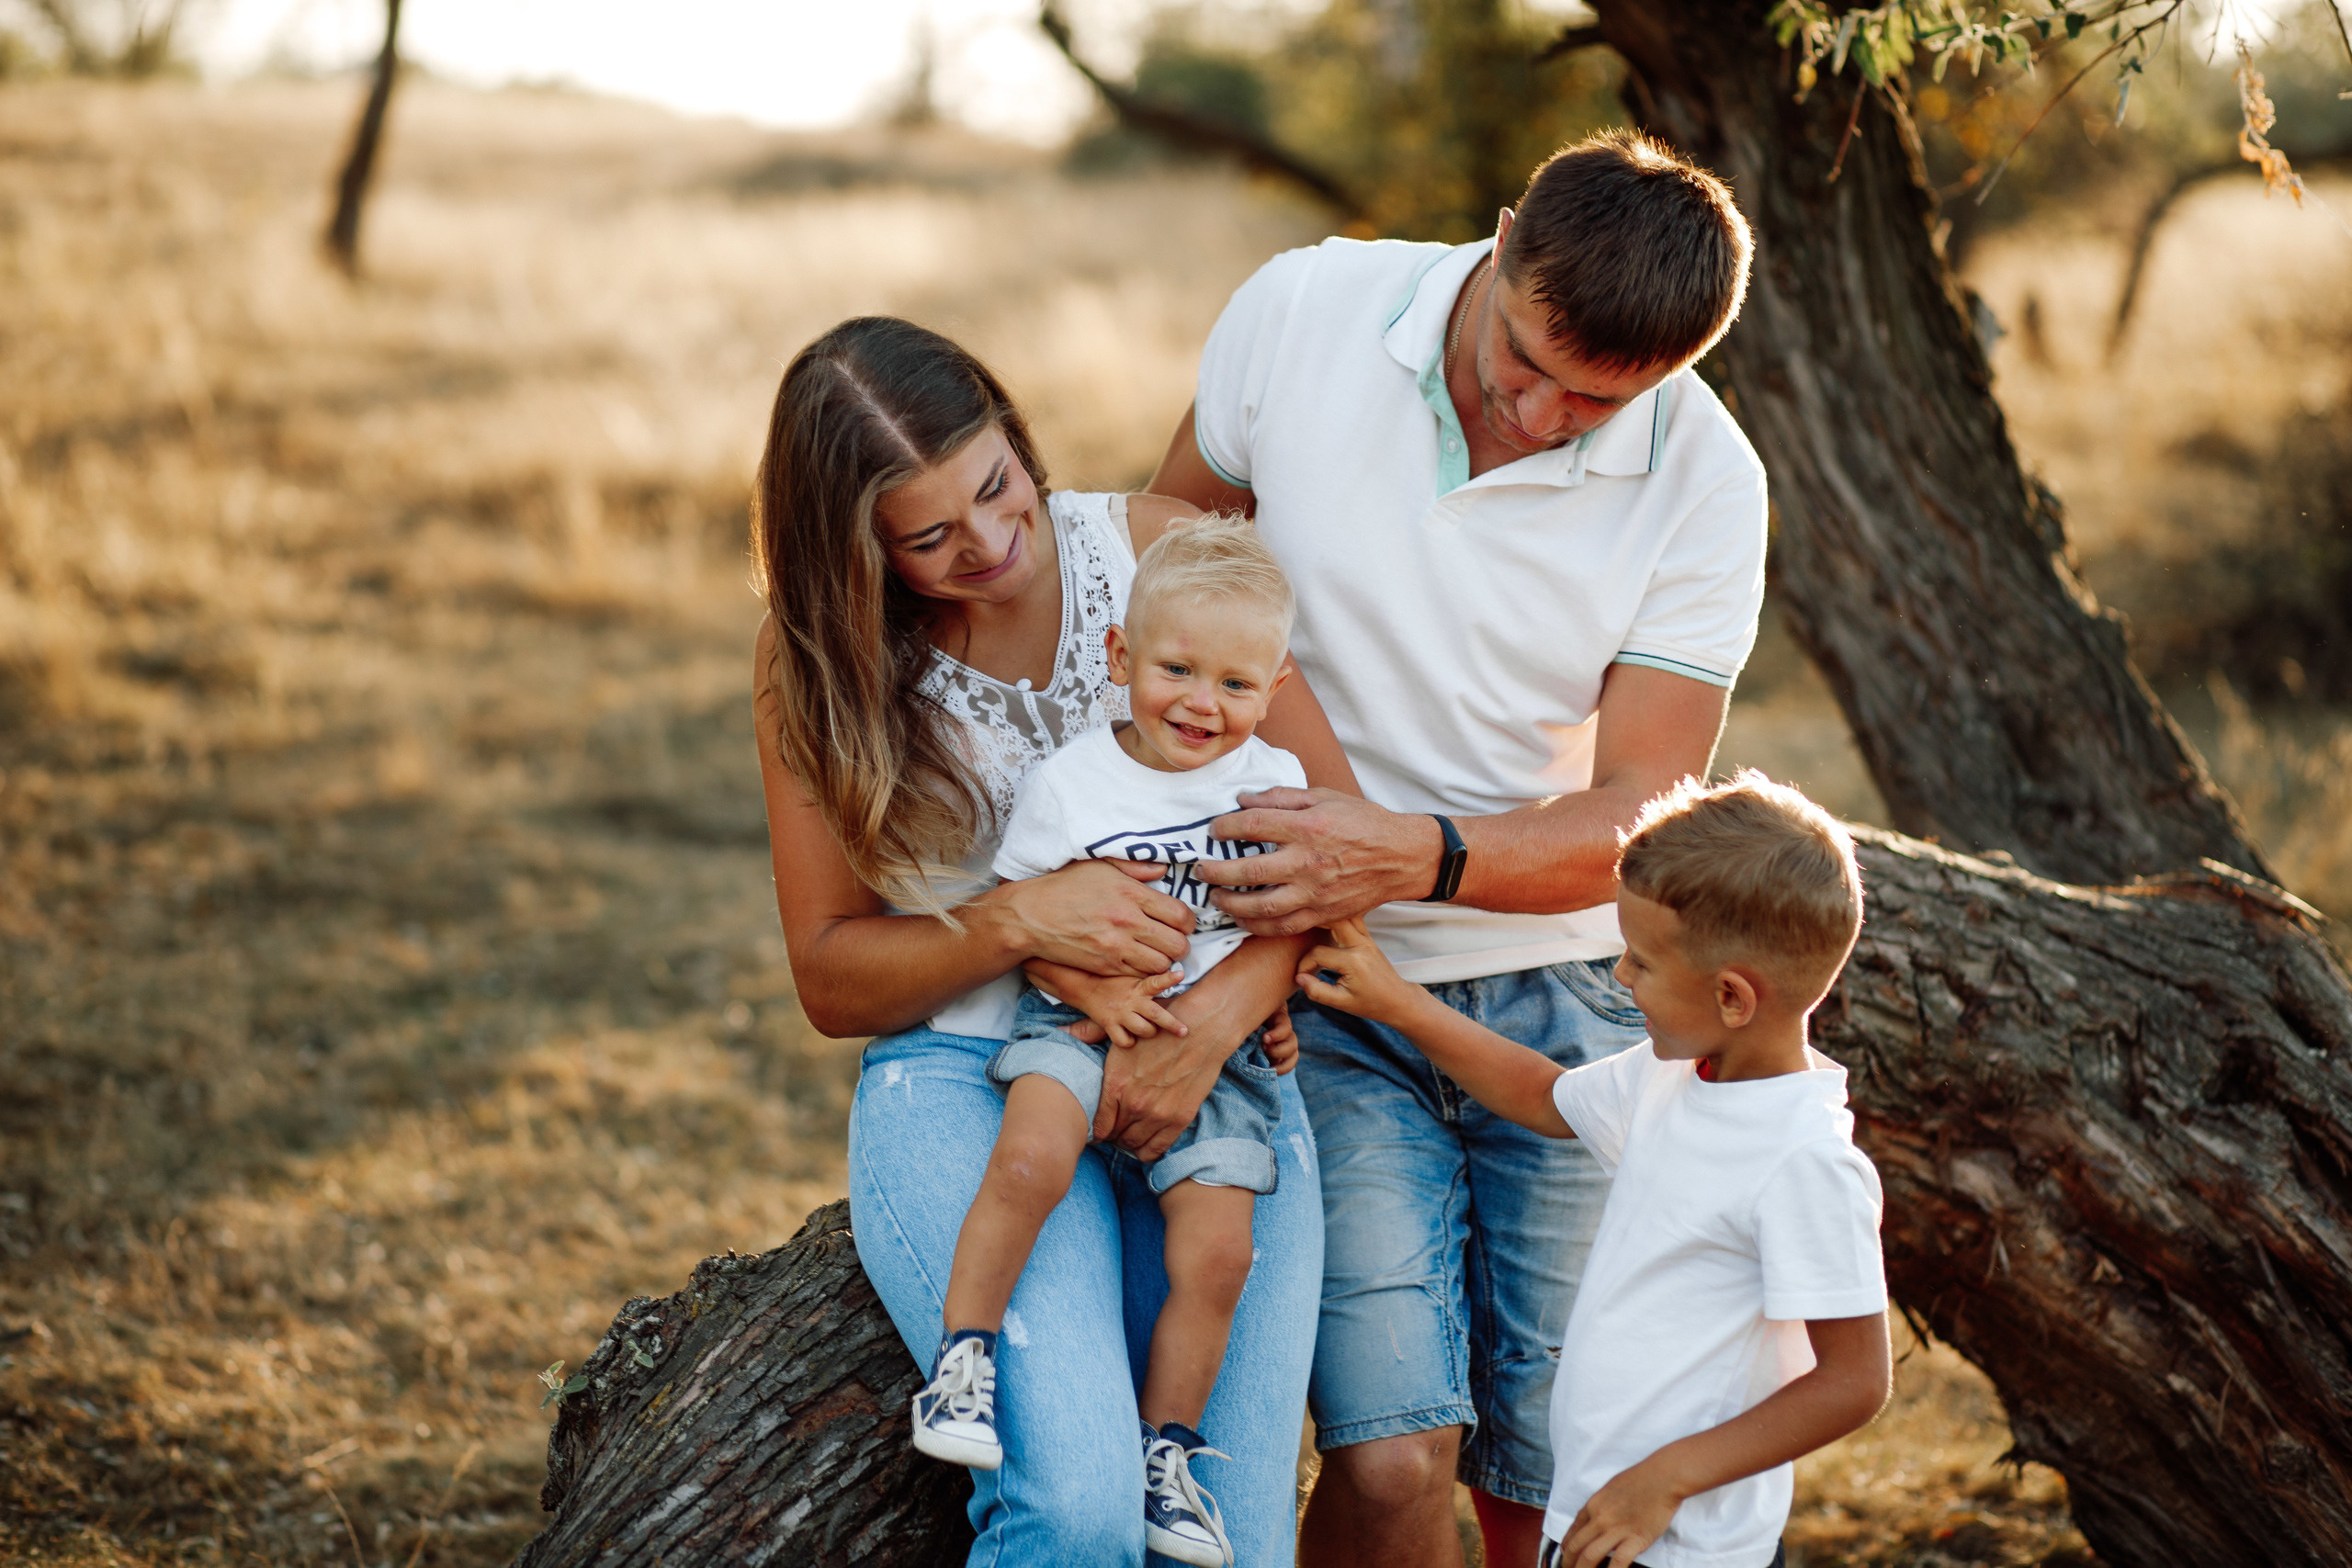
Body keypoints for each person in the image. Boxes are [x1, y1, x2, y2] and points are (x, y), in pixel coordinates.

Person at [1147, 130, 1769, 1565]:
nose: (1546, 415)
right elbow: (1177, 532)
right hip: (1324, 987)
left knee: (1556, 1474)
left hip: (1573, 1004)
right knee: (1387, 1453)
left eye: (1600, 401)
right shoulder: (1303, 310)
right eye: (1525, 362)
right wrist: (1322, 796)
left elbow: (1644, 818)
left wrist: (1405, 852)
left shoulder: (1711, 482)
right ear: (1500, 241)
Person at [752, 317, 1355, 1564]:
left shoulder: (1151, 549)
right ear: (857, 552)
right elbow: (827, 973)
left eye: (995, 484)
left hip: (1222, 1053)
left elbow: (1335, 845)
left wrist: (1225, 1014)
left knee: (1228, 1537)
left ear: (1015, 439)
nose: (990, 542)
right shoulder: (816, 666)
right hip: (967, 1069)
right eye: (930, 537)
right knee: (1075, 1506)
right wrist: (1022, 915)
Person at [1294, 773, 1893, 1568]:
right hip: (1598, 1516)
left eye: (1640, 962)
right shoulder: (1671, 1076)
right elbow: (1545, 1095)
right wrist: (1400, 1004)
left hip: (1684, 1546)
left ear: (1733, 997)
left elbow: (1855, 1381)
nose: (1619, 979)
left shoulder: (1805, 1161)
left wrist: (1669, 1479)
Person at [913, 516, 1314, 1567]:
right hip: (1077, 1022)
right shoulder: (1075, 786)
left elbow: (1301, 915)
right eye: (1177, 669)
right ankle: (965, 1356)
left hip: (1214, 1059)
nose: (1201, 703)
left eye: (1235, 683)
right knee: (1032, 1156)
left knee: (1219, 1254)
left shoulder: (1269, 785)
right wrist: (1089, 982)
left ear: (1272, 689)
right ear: (1122, 659)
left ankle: (1166, 1453)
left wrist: (1262, 1002)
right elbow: (1021, 923)